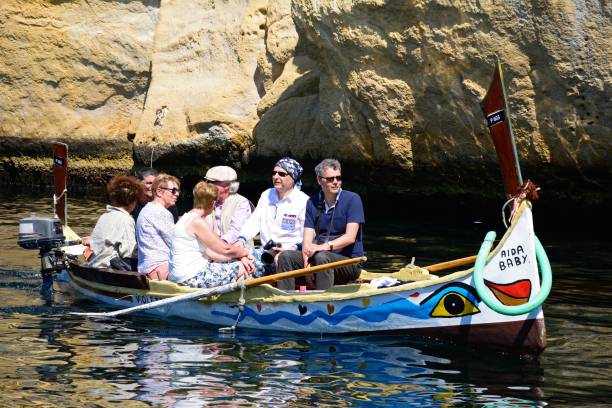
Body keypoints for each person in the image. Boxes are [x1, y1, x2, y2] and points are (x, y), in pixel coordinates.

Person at [276, 158, 365, 290]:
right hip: (319, 258)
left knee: (321, 257)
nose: (335, 182)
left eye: (338, 178)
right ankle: (285, 301)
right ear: (319, 180)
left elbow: (350, 237)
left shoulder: (353, 199)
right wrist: (307, 268)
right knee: (286, 256)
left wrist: (322, 247)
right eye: (330, 179)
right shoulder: (312, 202)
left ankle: (323, 300)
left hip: (349, 262)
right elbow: (307, 240)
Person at [168, 182, 254, 288]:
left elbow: (211, 254)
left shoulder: (186, 218)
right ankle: (240, 302)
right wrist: (244, 253)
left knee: (239, 264)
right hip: (192, 277)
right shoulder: (197, 222)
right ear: (212, 203)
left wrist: (238, 258)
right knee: (246, 266)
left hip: (180, 276)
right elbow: (225, 249)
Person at [235, 157, 309, 275]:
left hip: (287, 255)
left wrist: (292, 248)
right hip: (264, 252)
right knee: (232, 257)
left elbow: (308, 236)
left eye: (282, 174)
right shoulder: (266, 195)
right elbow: (255, 221)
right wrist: (241, 239)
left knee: (242, 268)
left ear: (293, 178)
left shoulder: (304, 201)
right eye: (274, 173)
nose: (276, 176)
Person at [88, 175, 143, 270]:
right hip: (109, 268)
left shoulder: (104, 216)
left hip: (95, 265)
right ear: (133, 201)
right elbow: (128, 252)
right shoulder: (126, 219)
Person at [137, 173, 181, 280]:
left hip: (148, 268)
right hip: (159, 269)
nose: (177, 194)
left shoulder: (148, 208)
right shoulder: (159, 212)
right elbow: (175, 242)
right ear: (159, 191)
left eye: (178, 191)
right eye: (173, 190)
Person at [203, 166, 252, 244]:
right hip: (212, 251)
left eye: (212, 182)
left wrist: (219, 244)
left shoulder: (241, 202)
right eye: (207, 182)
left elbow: (236, 230)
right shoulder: (207, 202)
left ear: (226, 185)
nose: (207, 185)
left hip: (237, 252)